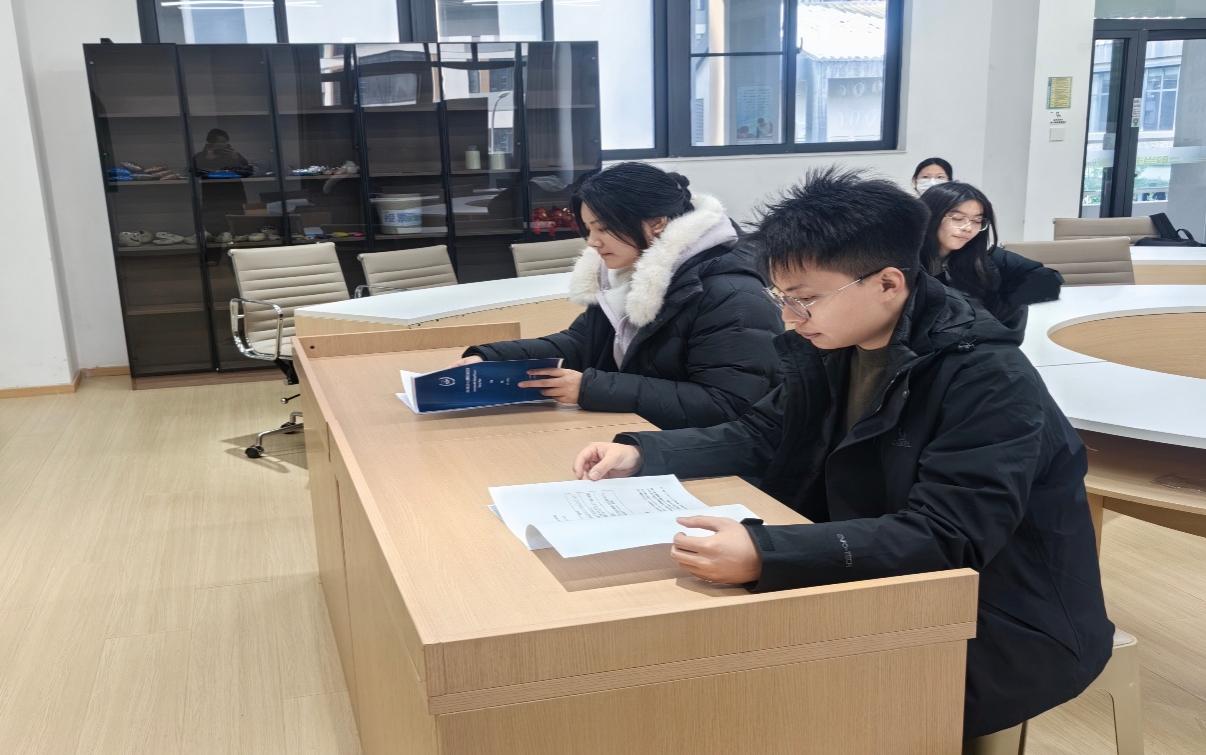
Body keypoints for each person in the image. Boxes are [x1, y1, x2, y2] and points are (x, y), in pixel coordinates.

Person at [570, 167, 1113, 742]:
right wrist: (644, 452)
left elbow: (948, 535)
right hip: (882, 577)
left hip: (999, 618)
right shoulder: (834, 342)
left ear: (888, 283)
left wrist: (767, 553)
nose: (788, 317)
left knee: (747, 700)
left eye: (804, 299)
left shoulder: (986, 377)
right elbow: (763, 434)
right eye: (781, 298)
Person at [460, 162, 783, 430]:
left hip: (707, 465)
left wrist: (590, 389)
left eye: (603, 228)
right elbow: (581, 343)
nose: (592, 242)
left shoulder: (732, 296)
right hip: (644, 437)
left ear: (656, 223)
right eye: (589, 229)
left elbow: (727, 405)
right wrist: (491, 358)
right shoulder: (629, 275)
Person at [920, 182, 1063, 330]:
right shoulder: (907, 262)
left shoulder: (982, 257)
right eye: (957, 218)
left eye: (977, 221)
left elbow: (1048, 278)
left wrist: (1001, 303)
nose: (968, 228)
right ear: (930, 216)